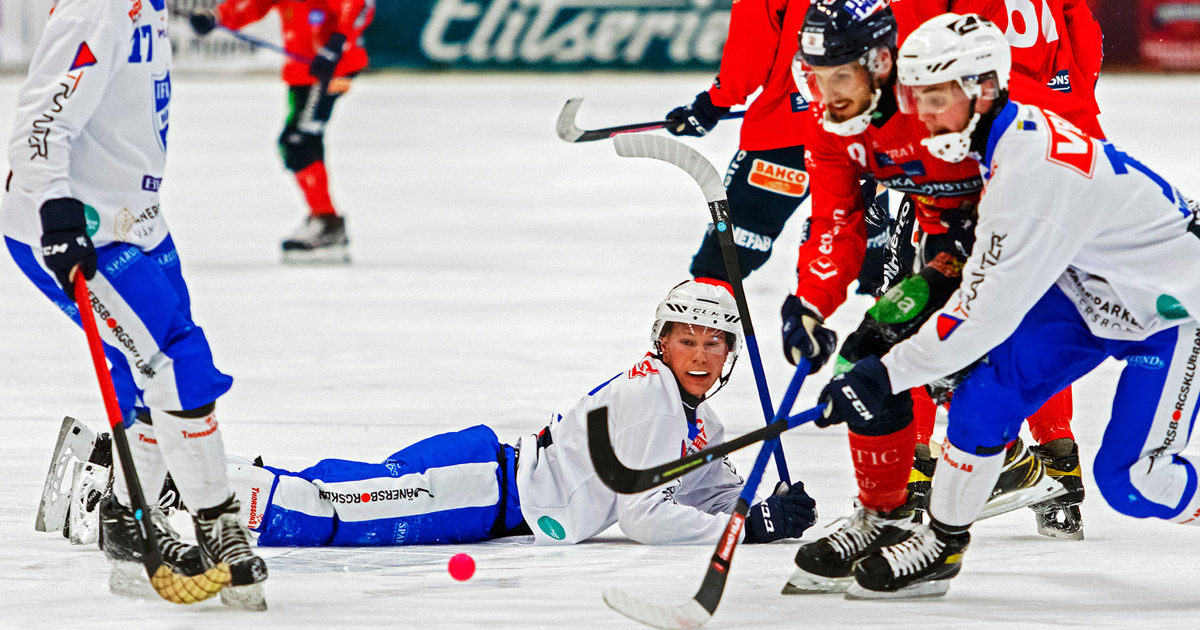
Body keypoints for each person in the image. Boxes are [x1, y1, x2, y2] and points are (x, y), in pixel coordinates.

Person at [819, 12, 1200, 599]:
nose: (924, 114)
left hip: (1170, 312)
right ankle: (942, 546)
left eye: (938, 98)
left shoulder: (1031, 174)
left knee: (1134, 484)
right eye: (916, 96)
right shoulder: (981, 136)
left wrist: (884, 373)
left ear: (986, 89)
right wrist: (886, 326)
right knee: (985, 399)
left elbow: (982, 318)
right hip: (1087, 293)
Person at [46, 281, 819, 548]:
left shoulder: (697, 421)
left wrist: (756, 504)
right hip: (489, 488)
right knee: (326, 512)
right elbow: (648, 516)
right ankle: (142, 483)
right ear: (662, 340)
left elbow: (704, 486)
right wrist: (746, 530)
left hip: (490, 476)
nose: (701, 354)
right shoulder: (652, 395)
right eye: (687, 338)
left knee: (331, 487)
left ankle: (135, 473)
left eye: (715, 345)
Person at [779, 0, 1106, 595]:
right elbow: (835, 219)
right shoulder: (834, 126)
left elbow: (1020, 207)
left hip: (1040, 240)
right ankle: (886, 516)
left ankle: (943, 544)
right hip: (959, 248)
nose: (826, 94)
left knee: (969, 375)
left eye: (841, 76)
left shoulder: (945, 104)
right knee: (865, 353)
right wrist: (809, 303)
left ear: (882, 63)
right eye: (815, 76)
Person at [2, 0, 266, 609]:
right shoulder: (96, 10)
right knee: (176, 361)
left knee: (145, 370)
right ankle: (216, 521)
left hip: (138, 222)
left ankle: (125, 523)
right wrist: (57, 212)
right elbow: (39, 122)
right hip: (84, 228)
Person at [663, 0, 892, 297]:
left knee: (727, 258)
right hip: (870, 127)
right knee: (881, 259)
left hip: (788, 130)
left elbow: (753, 43)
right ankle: (905, 337)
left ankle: (697, 336)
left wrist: (714, 102)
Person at [189, 0, 375, 263]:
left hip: (332, 70)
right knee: (298, 142)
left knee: (299, 140)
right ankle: (324, 219)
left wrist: (336, 44)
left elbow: (359, 6)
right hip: (304, 69)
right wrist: (216, 17)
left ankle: (327, 221)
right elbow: (252, 4)